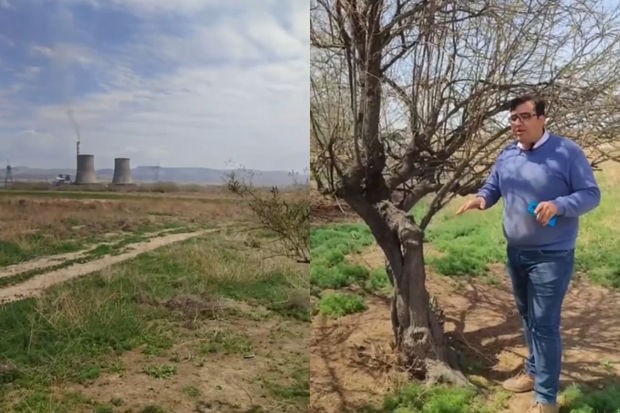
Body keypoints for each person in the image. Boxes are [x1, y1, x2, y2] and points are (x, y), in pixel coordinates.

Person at [455, 95, 601, 413]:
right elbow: (493, 186)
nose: (517, 123)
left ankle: (546, 400)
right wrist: (480, 199)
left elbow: (591, 194)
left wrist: (560, 205)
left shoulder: (566, 152)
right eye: (513, 118)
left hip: (552, 255)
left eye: (524, 116)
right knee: (528, 318)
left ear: (542, 118)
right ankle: (534, 372)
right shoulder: (508, 155)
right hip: (516, 252)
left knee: (545, 324)